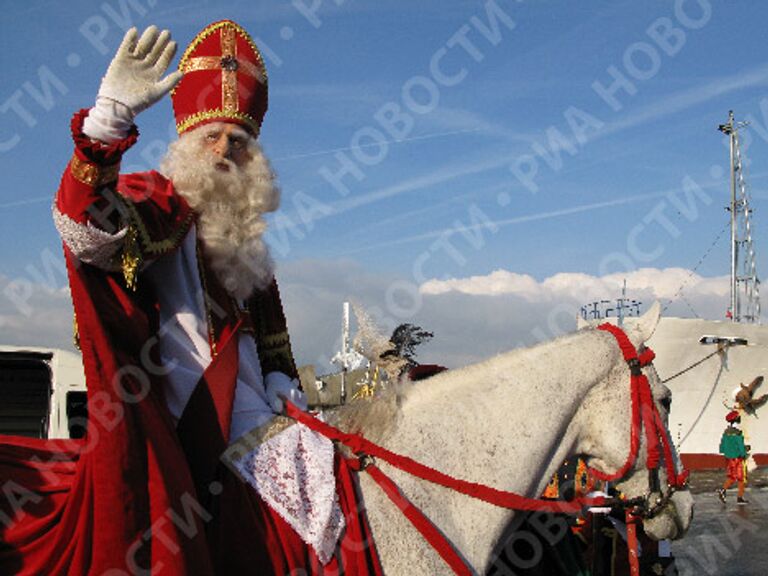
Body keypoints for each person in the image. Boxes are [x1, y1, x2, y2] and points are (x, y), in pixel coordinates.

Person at [0, 21, 381, 575]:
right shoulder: (156, 200)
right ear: (185, 143)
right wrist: (109, 120)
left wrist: (280, 380)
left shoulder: (248, 245)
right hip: (182, 425)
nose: (226, 149)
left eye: (240, 141)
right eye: (213, 136)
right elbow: (85, 225)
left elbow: (274, 346)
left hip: (262, 423)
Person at [717, 409, 749, 505]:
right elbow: (740, 445)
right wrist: (744, 453)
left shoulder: (726, 432)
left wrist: (726, 452)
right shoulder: (737, 433)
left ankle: (723, 490)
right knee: (741, 477)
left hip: (729, 458)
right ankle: (739, 497)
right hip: (737, 458)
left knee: (732, 476)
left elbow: (722, 446)